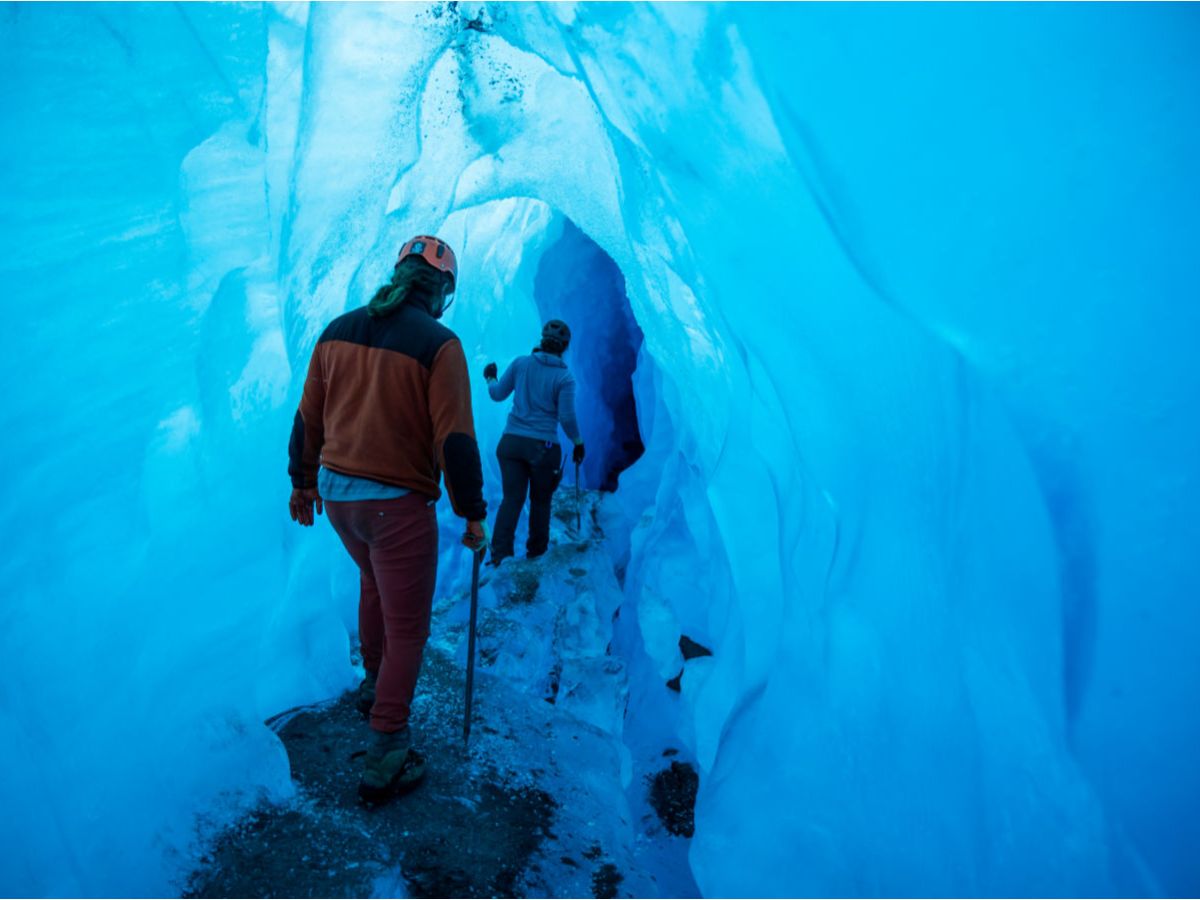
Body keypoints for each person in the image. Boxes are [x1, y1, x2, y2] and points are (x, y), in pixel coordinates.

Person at [287, 234, 488, 803]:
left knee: (374, 584)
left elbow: (308, 419)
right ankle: (387, 751)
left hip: (338, 497)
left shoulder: (336, 330)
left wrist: (302, 483)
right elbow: (455, 438)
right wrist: (472, 513)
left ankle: (374, 685)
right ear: (442, 292)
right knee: (409, 627)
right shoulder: (440, 344)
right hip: (394, 503)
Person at [483, 319, 585, 565]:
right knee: (540, 501)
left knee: (512, 499)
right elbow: (567, 416)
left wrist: (490, 377)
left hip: (510, 444)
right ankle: (536, 556)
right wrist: (577, 441)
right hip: (542, 447)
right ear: (565, 347)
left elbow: (497, 395)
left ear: (541, 339)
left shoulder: (521, 364)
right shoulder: (564, 378)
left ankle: (499, 557)